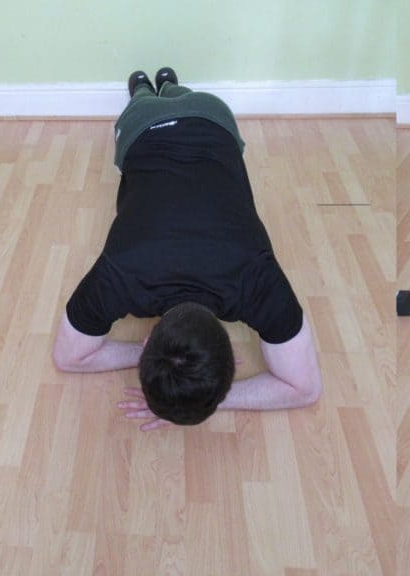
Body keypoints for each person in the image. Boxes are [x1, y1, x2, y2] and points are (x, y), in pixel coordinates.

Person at [53, 68, 322, 431]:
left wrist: (198, 383)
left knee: (159, 101)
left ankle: (157, 87)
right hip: (167, 122)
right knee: (153, 101)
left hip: (207, 119)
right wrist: (198, 386)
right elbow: (303, 389)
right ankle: (157, 87)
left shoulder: (256, 281)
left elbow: (306, 390)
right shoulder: (120, 274)